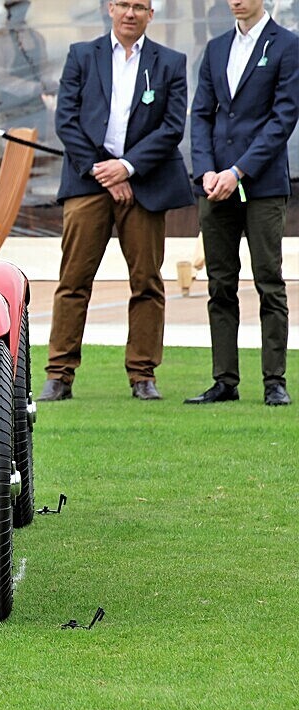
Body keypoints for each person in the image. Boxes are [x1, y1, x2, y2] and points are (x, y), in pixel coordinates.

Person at [37, 0, 193, 402]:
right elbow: (66, 121)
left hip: (143, 184)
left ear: (151, 15)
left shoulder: (171, 62)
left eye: (139, 6)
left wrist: (127, 167)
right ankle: (59, 374)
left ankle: (143, 375)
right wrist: (103, 170)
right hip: (88, 182)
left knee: (146, 281)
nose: (130, 13)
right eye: (123, 4)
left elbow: (172, 127)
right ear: (109, 9)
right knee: (73, 282)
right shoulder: (81, 55)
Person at [186, 0, 298, 406]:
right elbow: (200, 115)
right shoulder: (216, 47)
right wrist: (206, 172)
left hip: (262, 184)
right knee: (220, 284)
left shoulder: (287, 45)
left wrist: (239, 171)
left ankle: (274, 382)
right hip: (214, 185)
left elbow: (283, 118)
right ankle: (224, 381)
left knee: (269, 281)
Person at [0, 0, 58, 141]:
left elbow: (44, 69)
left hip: (38, 110)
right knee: (14, 152)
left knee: (40, 149)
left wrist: (50, 84)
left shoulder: (37, 38)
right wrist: (35, 87)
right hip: (9, 112)